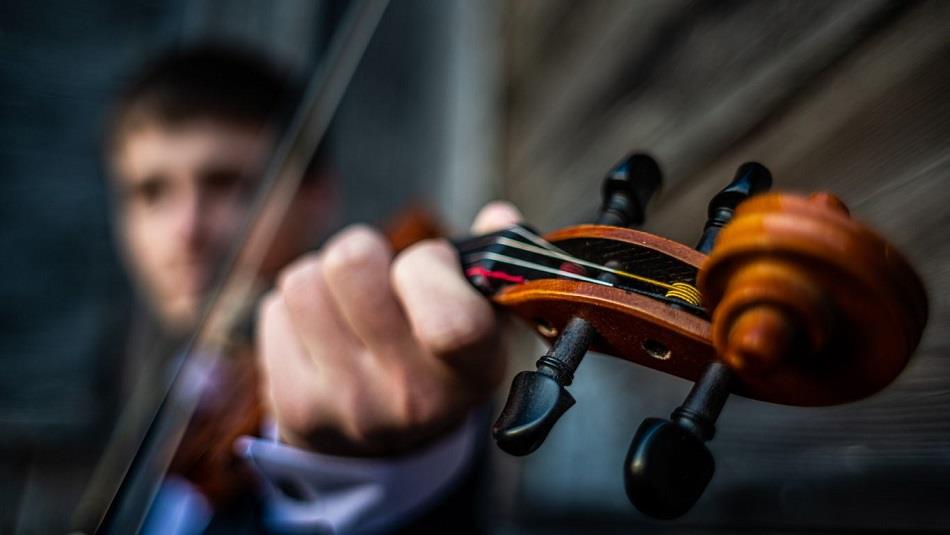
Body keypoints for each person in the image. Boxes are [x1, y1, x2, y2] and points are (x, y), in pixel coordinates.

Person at [103, 43, 516, 533]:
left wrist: (379, 467)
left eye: (227, 183)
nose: (187, 231)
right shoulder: (165, 389)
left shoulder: (399, 364)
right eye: (151, 192)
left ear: (317, 195)